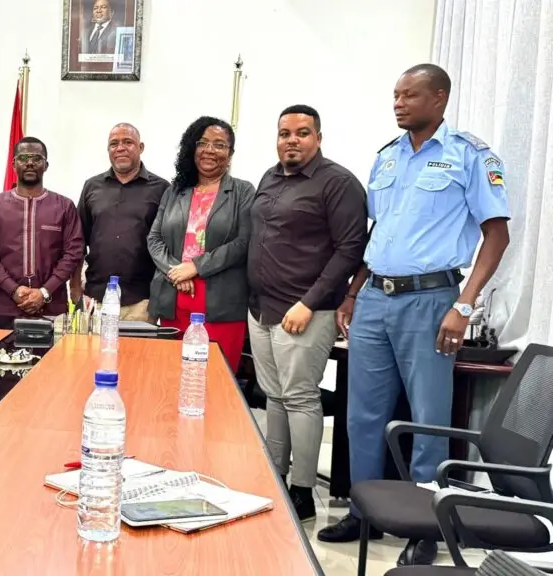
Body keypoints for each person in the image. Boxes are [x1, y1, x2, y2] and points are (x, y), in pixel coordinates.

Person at [317, 64, 510, 568]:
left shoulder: (470, 156)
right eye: (395, 95)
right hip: (375, 297)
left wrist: (464, 305)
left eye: (409, 95)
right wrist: (353, 292)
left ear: (439, 98)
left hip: (430, 299)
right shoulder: (388, 156)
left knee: (427, 417)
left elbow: (497, 235)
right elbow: (378, 231)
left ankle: (426, 525)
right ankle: (363, 510)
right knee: (362, 414)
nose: (398, 103)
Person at [248, 105, 368, 522]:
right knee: (275, 396)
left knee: (300, 397)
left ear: (318, 138)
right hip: (261, 309)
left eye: (302, 133)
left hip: (304, 310)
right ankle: (276, 477)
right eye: (284, 133)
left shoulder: (338, 183)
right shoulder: (270, 177)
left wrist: (309, 302)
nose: (292, 140)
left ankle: (302, 491)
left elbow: (350, 249)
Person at [147, 117, 255, 373]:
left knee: (216, 378)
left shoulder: (243, 191)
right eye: (203, 143)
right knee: (171, 376)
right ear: (192, 148)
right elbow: (154, 238)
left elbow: (243, 242)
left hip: (221, 303)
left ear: (230, 153)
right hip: (174, 298)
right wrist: (176, 271)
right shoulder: (175, 191)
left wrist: (195, 267)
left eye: (219, 145)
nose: (210, 150)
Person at [0, 137, 85, 329]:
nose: (30, 163)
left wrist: (44, 292)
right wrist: (13, 290)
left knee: (52, 351)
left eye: (37, 158)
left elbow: (74, 252)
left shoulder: (64, 207)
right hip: (4, 307)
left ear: (46, 165)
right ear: (14, 164)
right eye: (23, 158)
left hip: (51, 307)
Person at [72, 123, 169, 322]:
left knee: (137, 346)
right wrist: (75, 288)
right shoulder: (92, 186)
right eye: (114, 144)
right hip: (95, 299)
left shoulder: (162, 189)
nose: (120, 148)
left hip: (142, 302)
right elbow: (77, 241)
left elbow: (168, 244)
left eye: (128, 142)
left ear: (141, 147)